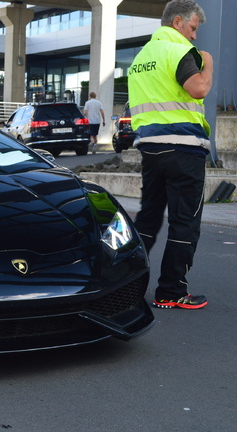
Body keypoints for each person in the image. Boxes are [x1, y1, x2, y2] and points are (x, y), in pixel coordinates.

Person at [128, 0, 213, 309]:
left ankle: (125, 283)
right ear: (178, 22)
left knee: (148, 219)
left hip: (151, 149)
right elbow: (198, 88)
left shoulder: (141, 57)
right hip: (183, 148)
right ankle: (171, 291)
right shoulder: (179, 51)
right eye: (192, 28)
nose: (193, 36)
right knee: (184, 222)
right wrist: (208, 62)